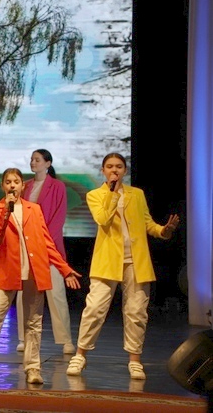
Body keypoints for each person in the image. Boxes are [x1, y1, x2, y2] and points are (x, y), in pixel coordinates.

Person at [0, 168, 81, 385]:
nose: (12, 185)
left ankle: (33, 367)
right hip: (9, 271)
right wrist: (7, 212)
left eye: (16, 181)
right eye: (8, 182)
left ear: (23, 185)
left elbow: (47, 242)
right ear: (3, 186)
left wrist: (64, 268)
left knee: (33, 322)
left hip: (35, 271)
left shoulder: (34, 209)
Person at [66, 153, 180, 380]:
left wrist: (163, 230)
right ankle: (80, 355)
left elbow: (147, 223)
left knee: (136, 312)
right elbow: (102, 219)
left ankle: (135, 360)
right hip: (107, 260)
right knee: (94, 309)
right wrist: (111, 193)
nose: (114, 170)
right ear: (103, 171)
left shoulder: (137, 194)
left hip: (136, 261)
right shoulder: (95, 195)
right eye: (109, 166)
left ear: (125, 170)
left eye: (118, 166)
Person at [16, 149, 75, 355]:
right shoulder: (26, 186)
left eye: (37, 160)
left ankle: (66, 340)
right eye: (32, 159)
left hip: (49, 247)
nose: (33, 162)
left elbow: (58, 218)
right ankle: (24, 337)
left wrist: (43, 241)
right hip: (26, 247)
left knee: (56, 294)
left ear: (48, 163)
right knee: (23, 295)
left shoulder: (57, 186)